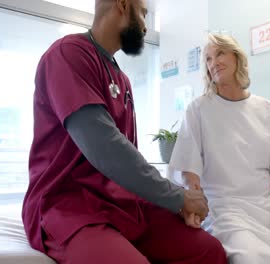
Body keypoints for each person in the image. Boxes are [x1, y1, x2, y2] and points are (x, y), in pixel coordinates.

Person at [22, 0, 227, 263]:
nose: (144, 26)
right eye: (143, 13)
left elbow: (127, 157)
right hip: (70, 206)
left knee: (209, 252)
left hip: (122, 205)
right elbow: (106, 149)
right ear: (122, 4)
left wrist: (171, 202)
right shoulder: (68, 55)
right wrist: (178, 197)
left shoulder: (122, 79)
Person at [170, 33, 270, 264]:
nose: (214, 63)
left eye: (220, 53)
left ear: (237, 57)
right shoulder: (199, 109)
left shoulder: (264, 108)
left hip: (268, 207)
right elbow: (189, 167)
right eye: (208, 59)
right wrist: (193, 204)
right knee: (250, 258)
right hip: (227, 209)